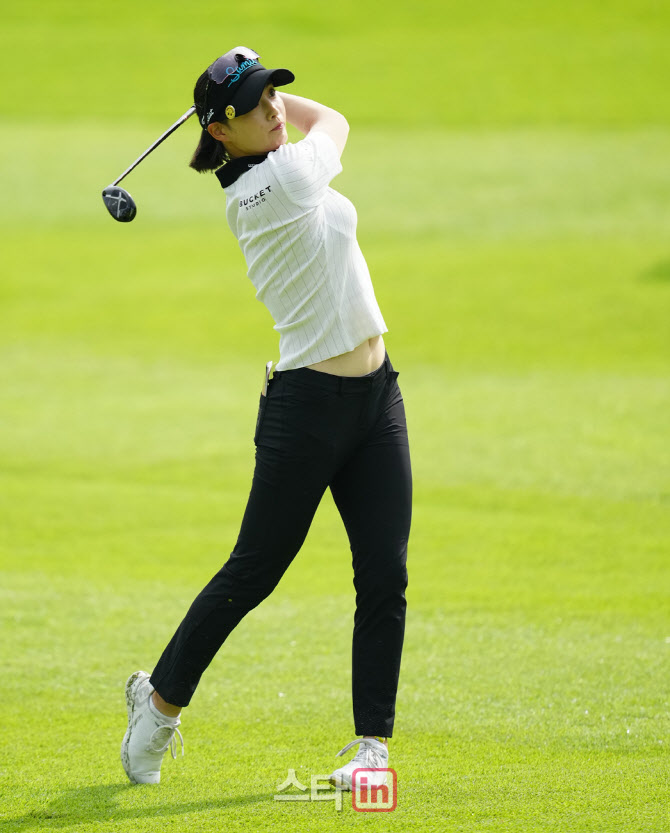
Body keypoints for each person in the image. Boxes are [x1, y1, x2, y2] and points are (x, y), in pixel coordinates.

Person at [121, 46, 412, 790]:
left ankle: (371, 749)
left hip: (377, 396)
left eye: (273, 95)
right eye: (253, 106)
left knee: (385, 572)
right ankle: (158, 706)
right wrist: (244, 98)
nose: (274, 110)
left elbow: (304, 120)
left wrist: (244, 85)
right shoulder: (270, 187)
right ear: (219, 132)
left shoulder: (276, 160)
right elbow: (334, 119)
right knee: (255, 570)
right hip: (306, 408)